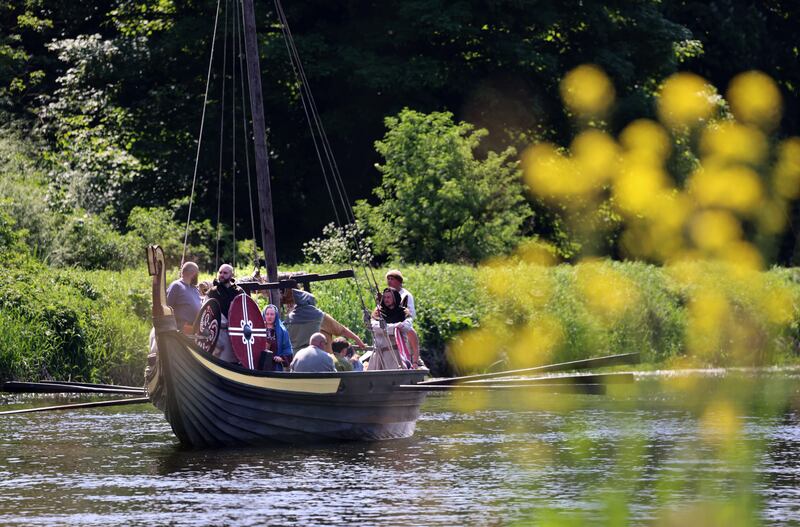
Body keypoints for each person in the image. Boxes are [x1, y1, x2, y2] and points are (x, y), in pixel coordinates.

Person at [370, 287, 421, 370]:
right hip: (381, 356)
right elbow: (375, 327)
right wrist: (395, 327)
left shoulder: (403, 312)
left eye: (389, 297)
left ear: (395, 298)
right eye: (385, 297)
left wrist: (394, 327)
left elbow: (406, 326)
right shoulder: (378, 312)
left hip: (398, 355)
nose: (386, 299)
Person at [207, 264, 248, 363]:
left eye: (225, 273)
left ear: (231, 274)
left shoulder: (239, 292)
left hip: (234, 333)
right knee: (218, 362)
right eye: (220, 272)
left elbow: (245, 311)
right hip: (218, 333)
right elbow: (206, 313)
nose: (221, 275)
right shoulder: (212, 292)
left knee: (233, 362)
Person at [166, 261, 201, 334]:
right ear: (193, 273)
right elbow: (167, 307)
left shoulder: (194, 288)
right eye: (197, 273)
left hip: (193, 330)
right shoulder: (176, 286)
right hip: (179, 330)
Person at [261, 304, 293, 371]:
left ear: (276, 316)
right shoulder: (258, 329)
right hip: (259, 366)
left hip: (275, 367)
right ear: (264, 315)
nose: (269, 316)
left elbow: (287, 348)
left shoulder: (282, 331)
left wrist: (281, 358)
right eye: (267, 314)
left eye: (272, 314)